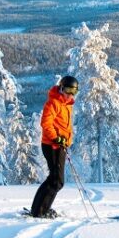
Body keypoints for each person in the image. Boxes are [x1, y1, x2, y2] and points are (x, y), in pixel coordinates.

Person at [30, 75, 79, 218]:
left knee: (54, 179)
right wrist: (56, 138)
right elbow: (46, 123)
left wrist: (64, 139)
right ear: (61, 88)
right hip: (52, 145)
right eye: (68, 90)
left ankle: (39, 210)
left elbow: (63, 125)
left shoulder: (66, 104)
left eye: (74, 91)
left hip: (59, 145)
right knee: (57, 181)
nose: (70, 94)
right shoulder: (53, 103)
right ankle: (40, 211)